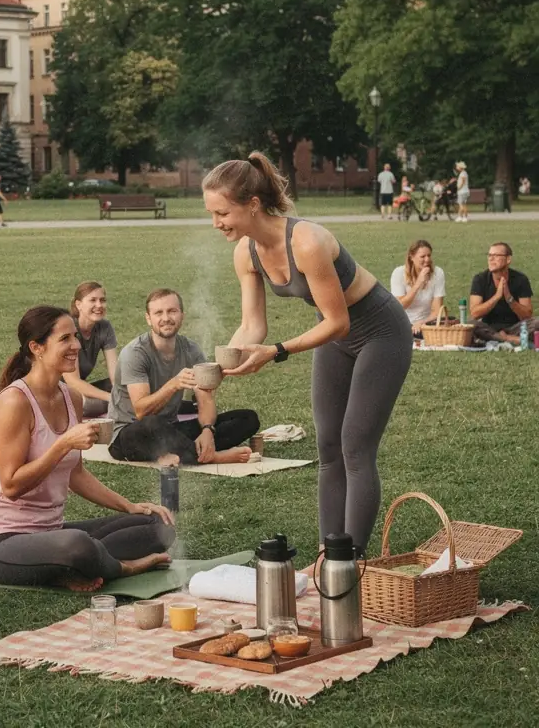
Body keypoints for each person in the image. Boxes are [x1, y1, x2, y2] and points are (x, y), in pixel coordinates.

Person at [204, 152, 412, 553]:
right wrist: (219, 367)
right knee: (328, 446)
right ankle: (326, 553)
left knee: (355, 445)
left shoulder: (307, 241)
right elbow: (252, 326)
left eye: (222, 213)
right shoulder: (245, 253)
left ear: (252, 204)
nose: (216, 223)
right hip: (334, 334)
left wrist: (276, 351)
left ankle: (349, 560)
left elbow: (338, 322)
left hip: (380, 331)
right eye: (211, 213)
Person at [0, 305, 175, 591]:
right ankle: (123, 567)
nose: (77, 346)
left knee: (157, 525)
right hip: (1, 541)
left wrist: (130, 506)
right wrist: (64, 443)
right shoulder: (14, 402)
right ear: (36, 348)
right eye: (65, 339)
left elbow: (76, 474)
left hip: (51, 531)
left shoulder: (72, 398)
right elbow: (11, 485)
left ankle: (81, 563)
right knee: (77, 544)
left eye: (76, 337)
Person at [107, 289, 259, 466]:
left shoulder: (191, 349)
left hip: (170, 430)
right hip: (130, 434)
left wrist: (207, 430)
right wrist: (174, 384)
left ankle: (190, 451)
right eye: (158, 313)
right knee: (152, 423)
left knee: (248, 418)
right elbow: (141, 411)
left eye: (172, 311)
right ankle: (213, 457)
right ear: (148, 318)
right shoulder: (135, 353)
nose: (166, 318)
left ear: (182, 315)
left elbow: (205, 399)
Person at [62, 281, 119, 418]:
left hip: (78, 391)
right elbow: (73, 382)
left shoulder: (104, 327)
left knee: (128, 386)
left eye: (102, 300)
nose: (99, 305)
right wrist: (111, 398)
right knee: (86, 405)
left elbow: (115, 375)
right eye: (93, 300)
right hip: (58, 392)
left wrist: (122, 392)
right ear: (78, 304)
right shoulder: (69, 328)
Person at [469, 242, 535, 343]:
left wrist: (509, 299)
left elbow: (527, 315)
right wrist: (497, 297)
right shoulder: (480, 279)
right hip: (489, 328)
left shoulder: (520, 279)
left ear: (508, 259)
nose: (491, 259)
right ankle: (506, 339)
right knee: (470, 323)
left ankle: (503, 338)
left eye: (496, 255)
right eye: (489, 255)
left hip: (515, 327)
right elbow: (474, 313)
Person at [390, 240, 446, 334]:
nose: (427, 260)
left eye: (429, 255)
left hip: (428, 323)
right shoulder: (399, 273)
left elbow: (437, 311)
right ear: (412, 257)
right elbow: (399, 307)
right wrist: (418, 283)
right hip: (403, 323)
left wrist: (422, 323)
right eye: (422, 256)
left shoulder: (438, 273)